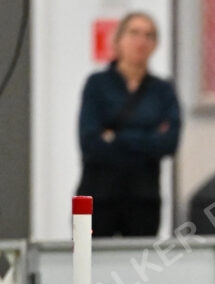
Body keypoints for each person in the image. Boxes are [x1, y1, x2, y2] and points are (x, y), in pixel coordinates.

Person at [77, 12, 181, 237]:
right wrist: (147, 137)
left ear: (155, 45)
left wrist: (115, 137)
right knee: (90, 267)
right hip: (99, 196)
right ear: (118, 40)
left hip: (143, 199)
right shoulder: (97, 85)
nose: (141, 41)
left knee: (139, 266)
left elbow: (169, 143)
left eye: (149, 35)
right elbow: (90, 142)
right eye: (134, 33)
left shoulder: (162, 90)